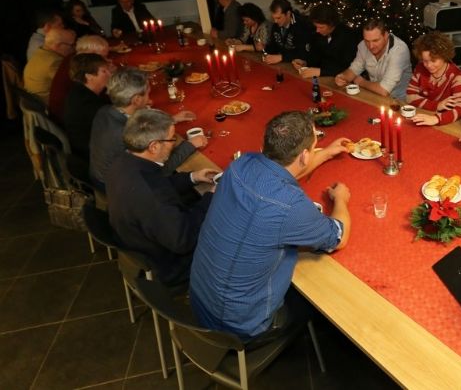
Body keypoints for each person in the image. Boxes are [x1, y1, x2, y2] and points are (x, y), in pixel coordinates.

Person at [190, 111, 351, 343]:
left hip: (200, 299)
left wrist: (325, 153)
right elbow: (338, 236)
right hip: (236, 327)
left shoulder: (241, 164)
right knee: (318, 300)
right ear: (305, 155)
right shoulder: (289, 205)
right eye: (314, 148)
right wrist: (340, 200)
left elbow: (285, 171)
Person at [107, 109, 216, 287]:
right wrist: (211, 197)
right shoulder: (152, 194)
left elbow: (161, 184)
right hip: (171, 262)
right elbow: (185, 240)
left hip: (144, 237)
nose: (174, 143)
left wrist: (193, 177)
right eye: (172, 139)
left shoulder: (124, 161)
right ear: (154, 146)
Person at [89, 68, 203, 190]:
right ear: (136, 100)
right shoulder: (127, 135)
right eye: (148, 93)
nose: (149, 98)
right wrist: (189, 145)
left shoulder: (105, 111)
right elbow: (158, 170)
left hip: (101, 176)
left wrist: (171, 119)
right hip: (120, 188)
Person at [334, 19, 412, 100]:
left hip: (399, 101)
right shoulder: (363, 45)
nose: (371, 46)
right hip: (374, 96)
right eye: (367, 41)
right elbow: (354, 69)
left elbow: (384, 90)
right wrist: (342, 77)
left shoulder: (399, 50)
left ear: (386, 35)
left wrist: (361, 82)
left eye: (375, 40)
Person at [49, 34, 115, 125]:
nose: (106, 60)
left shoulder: (76, 60)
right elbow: (103, 98)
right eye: (102, 57)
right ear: (89, 54)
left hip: (75, 113)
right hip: (65, 117)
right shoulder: (78, 70)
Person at [405, 31, 461, 125]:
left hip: (449, 124)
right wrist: (437, 105)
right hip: (425, 116)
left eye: (433, 61)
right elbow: (410, 97)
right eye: (425, 61)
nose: (429, 65)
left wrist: (436, 119)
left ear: (444, 56)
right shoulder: (420, 68)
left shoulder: (457, 77)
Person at [64, 53, 112, 162]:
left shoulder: (80, 90)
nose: (110, 74)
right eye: (104, 71)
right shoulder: (88, 103)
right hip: (94, 155)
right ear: (89, 76)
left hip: (91, 145)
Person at [292, 4, 359, 79]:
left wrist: (321, 71)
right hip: (320, 77)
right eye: (316, 27)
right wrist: (305, 63)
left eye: (321, 27)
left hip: (339, 79)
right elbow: (316, 56)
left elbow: (348, 68)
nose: (317, 30)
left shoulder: (348, 36)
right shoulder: (319, 34)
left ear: (331, 24)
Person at [23, 27, 75, 104]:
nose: (75, 48)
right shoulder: (54, 61)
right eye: (72, 44)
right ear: (59, 45)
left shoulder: (40, 52)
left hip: (34, 100)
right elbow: (71, 83)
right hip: (47, 103)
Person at [261, 0, 314, 65]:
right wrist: (265, 51)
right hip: (284, 63)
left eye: (278, 18)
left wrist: (282, 57)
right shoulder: (276, 25)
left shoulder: (301, 26)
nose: (275, 21)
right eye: (274, 18)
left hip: (298, 64)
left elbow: (303, 53)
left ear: (288, 13)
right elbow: (273, 45)